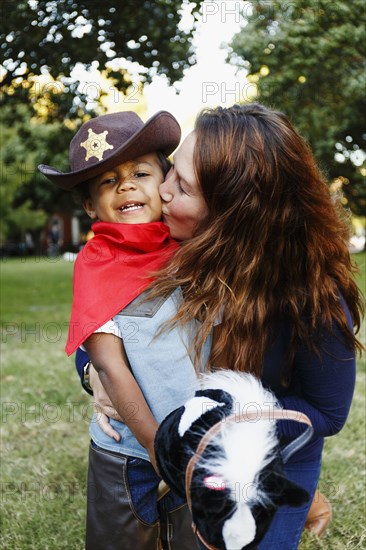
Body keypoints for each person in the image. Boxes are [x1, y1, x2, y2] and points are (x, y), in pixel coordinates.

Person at [83, 103, 364, 550]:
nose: (164, 192)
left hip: (265, 461)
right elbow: (110, 314)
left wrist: (225, 420)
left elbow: (328, 413)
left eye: (185, 187)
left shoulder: (313, 297)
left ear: (232, 211)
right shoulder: (172, 248)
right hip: (186, 452)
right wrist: (95, 371)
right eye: (171, 172)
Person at [39, 111, 210, 549]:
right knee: (122, 538)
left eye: (140, 173)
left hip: (198, 440)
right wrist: (160, 453)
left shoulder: (194, 250)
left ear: (167, 183)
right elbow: (109, 366)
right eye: (108, 181)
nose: (127, 185)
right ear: (90, 205)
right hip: (131, 449)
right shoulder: (96, 264)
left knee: (197, 537)